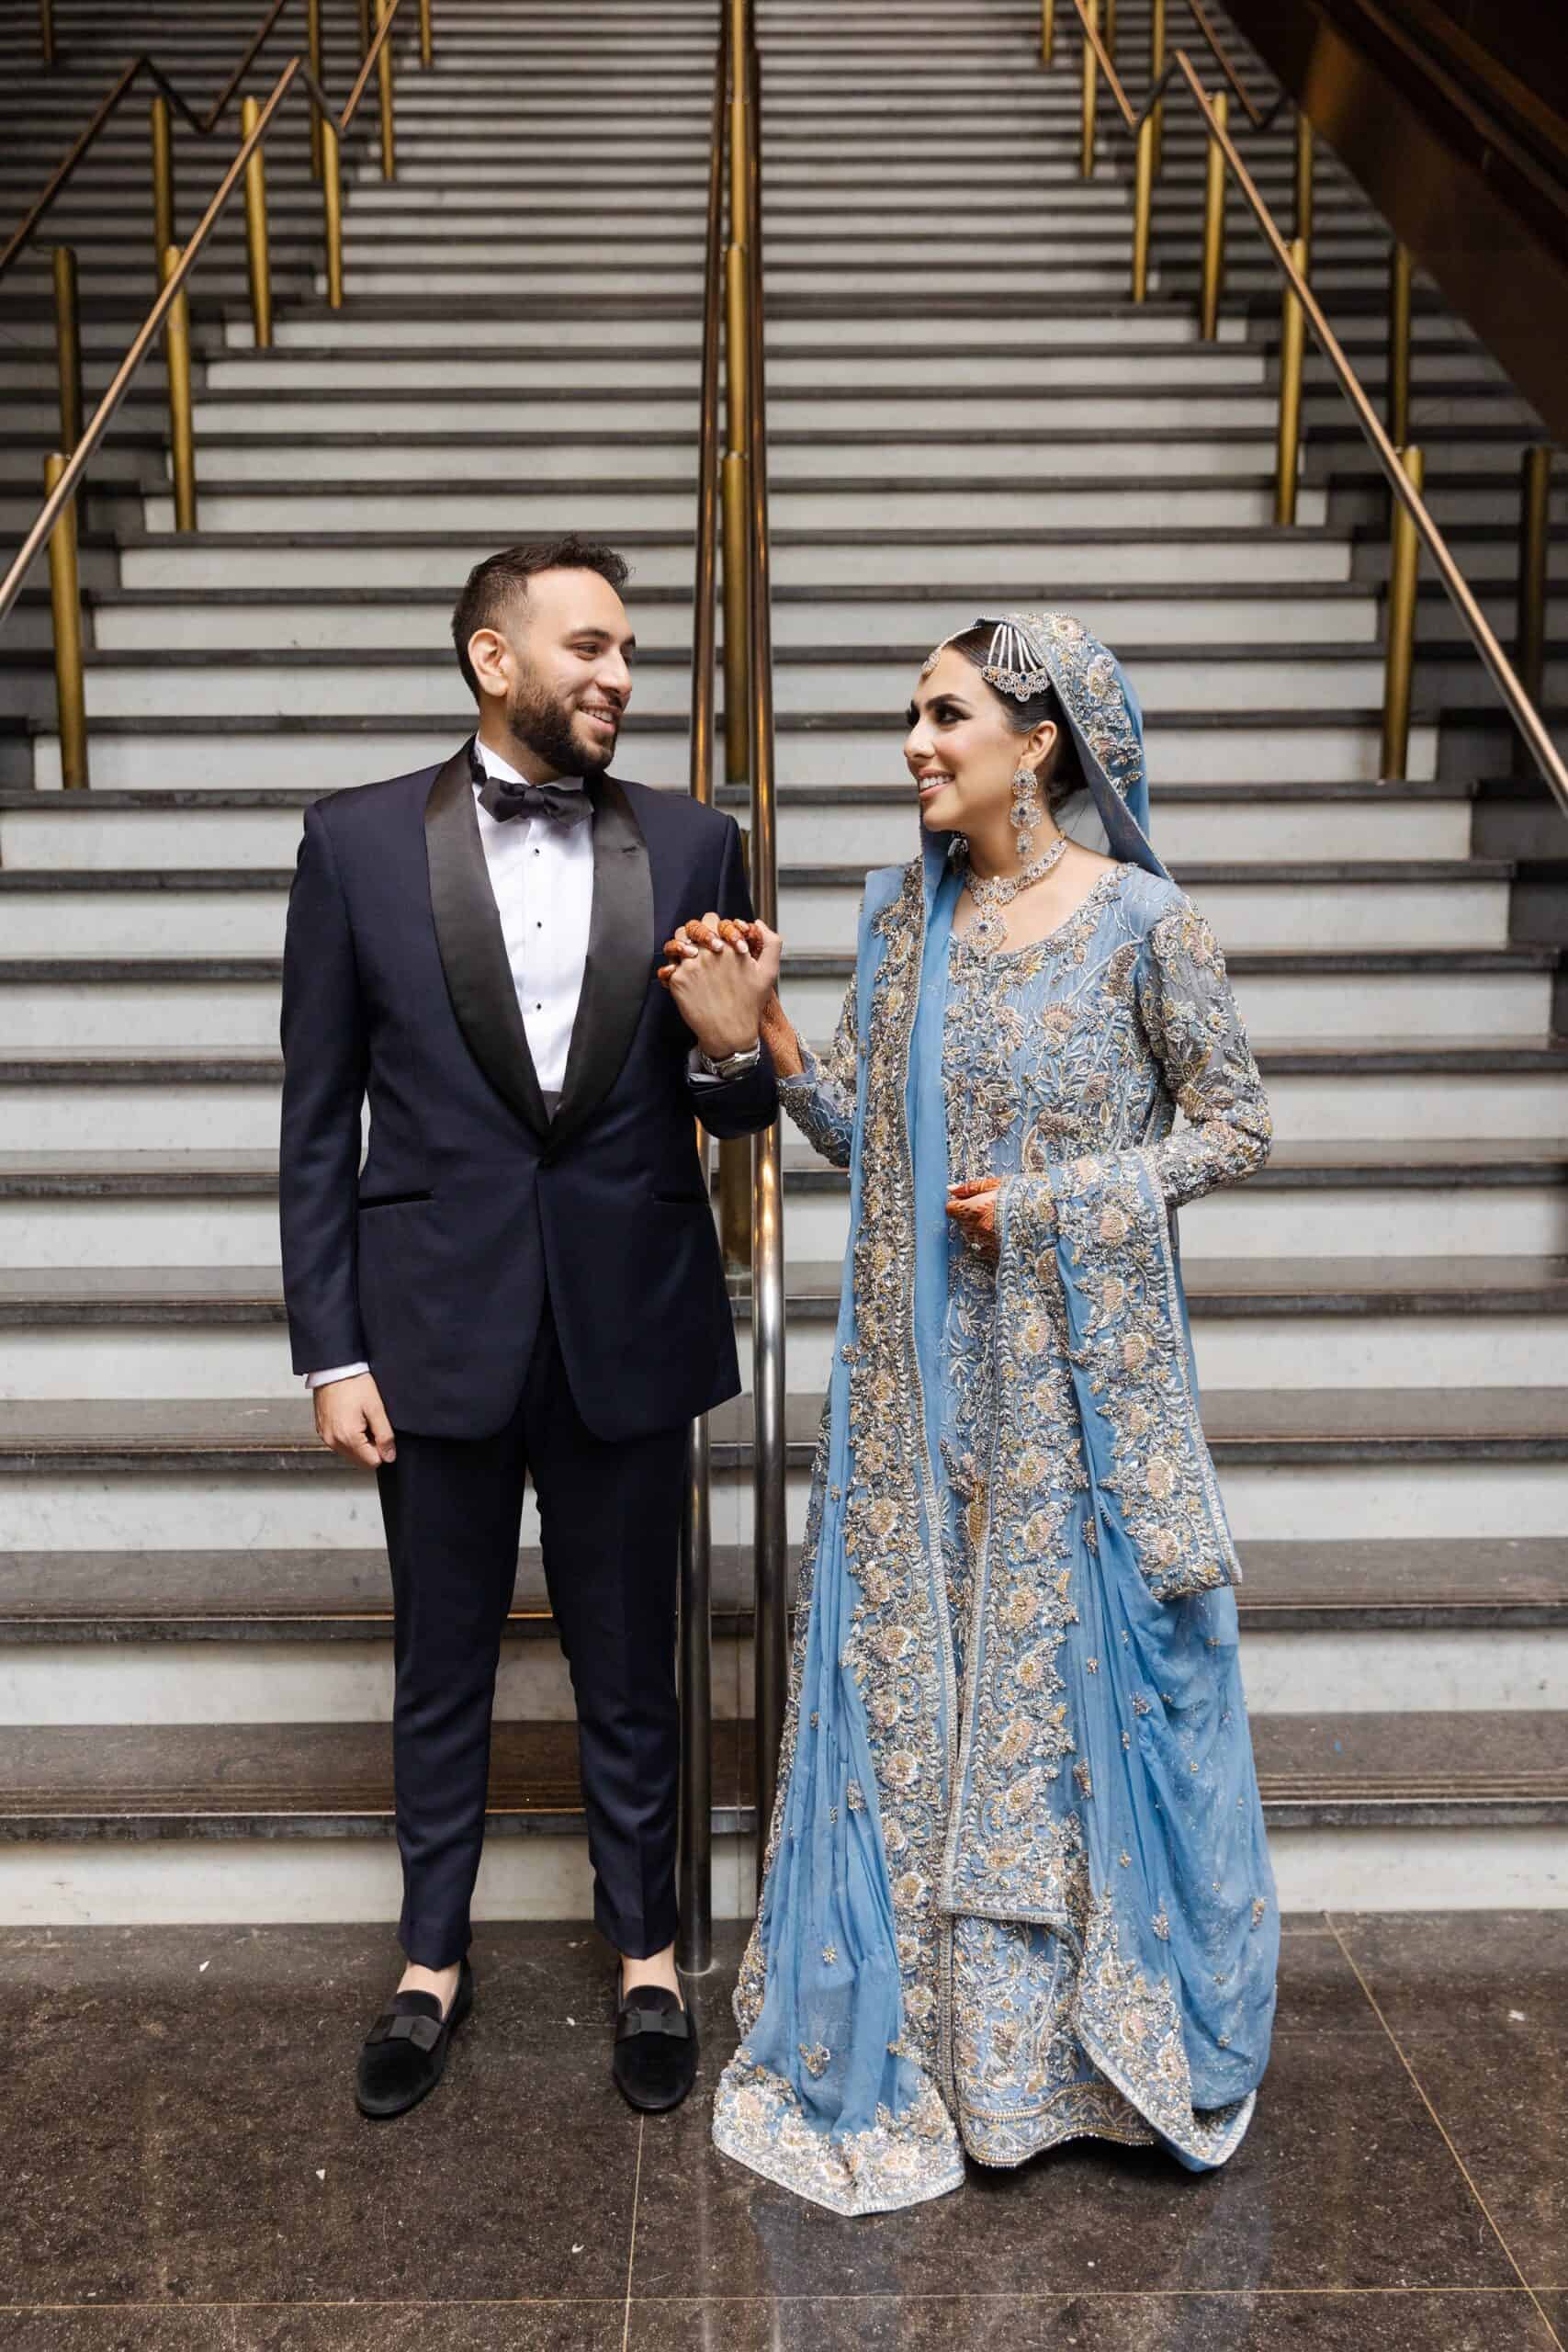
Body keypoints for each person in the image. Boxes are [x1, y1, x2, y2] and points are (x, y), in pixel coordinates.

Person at [669, 610, 1279, 2214]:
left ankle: (1086, 2063)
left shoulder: (1148, 924)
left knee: (1064, 1718)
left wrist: (1067, 1201)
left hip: (1080, 1394)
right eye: (911, 719)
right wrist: (770, 1045)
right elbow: (875, 1142)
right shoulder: (900, 921)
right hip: (924, 1393)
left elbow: (1235, 1129)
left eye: (947, 717)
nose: (918, 747)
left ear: (1044, 743)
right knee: (934, 1711)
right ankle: (951, 2057)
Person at [277, 536, 780, 2122]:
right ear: (495, 662)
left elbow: (751, 1097)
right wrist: (331, 1349)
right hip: (430, 1329)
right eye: (588, 647)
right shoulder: (355, 843)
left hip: (627, 1312)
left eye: (627, 648)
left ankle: (644, 1954)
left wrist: (723, 1060)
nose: (620, 675)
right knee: (442, 1662)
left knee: (632, 1661)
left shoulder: (701, 842)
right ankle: (431, 1962)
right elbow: (317, 1118)